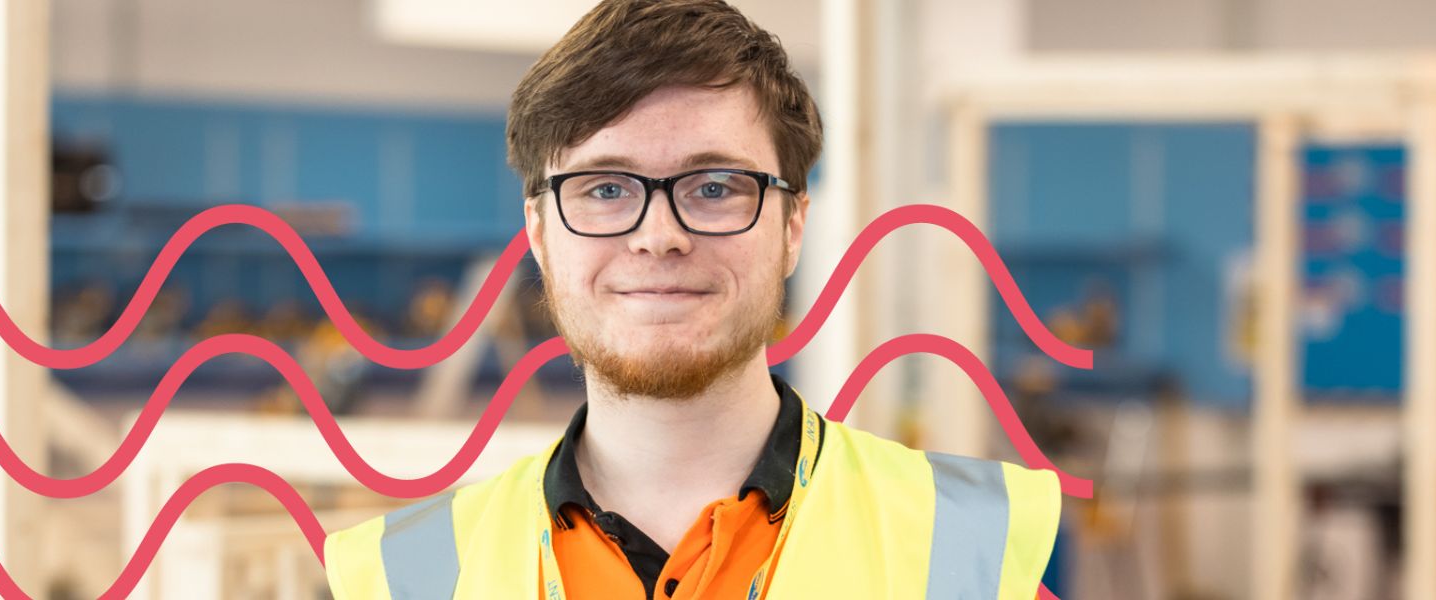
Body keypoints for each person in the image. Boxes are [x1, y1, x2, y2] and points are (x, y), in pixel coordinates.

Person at [324, 1, 1060, 597]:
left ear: (793, 225)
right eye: (606, 189)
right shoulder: (400, 580)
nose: (659, 235)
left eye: (714, 188)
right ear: (541, 232)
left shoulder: (968, 554)